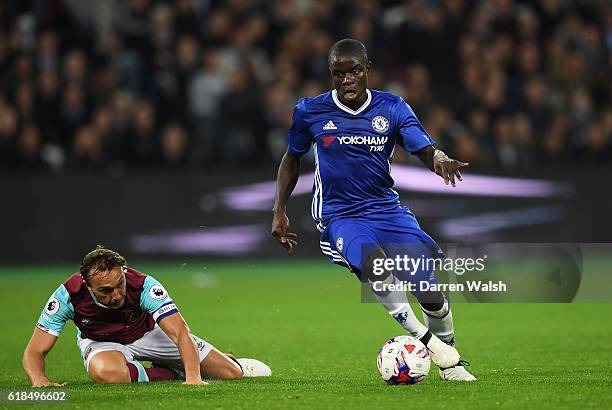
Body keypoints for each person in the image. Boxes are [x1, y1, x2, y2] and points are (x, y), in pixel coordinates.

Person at [271, 39, 475, 381]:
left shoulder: (392, 108)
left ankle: (447, 346)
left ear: (368, 71)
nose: (346, 80)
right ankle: (435, 349)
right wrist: (280, 209)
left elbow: (422, 148)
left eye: (353, 72)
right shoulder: (310, 110)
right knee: (376, 268)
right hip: (340, 216)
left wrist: (439, 160)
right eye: (339, 74)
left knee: (431, 294)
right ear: (331, 76)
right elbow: (292, 158)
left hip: (386, 211)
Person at [23, 246, 271, 387]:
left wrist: (194, 378)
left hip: (148, 332)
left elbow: (179, 331)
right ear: (87, 286)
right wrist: (39, 380)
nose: (117, 294)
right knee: (108, 374)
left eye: (119, 284)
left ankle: (212, 364)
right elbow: (35, 350)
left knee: (232, 374)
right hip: (101, 341)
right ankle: (171, 373)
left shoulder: (143, 284)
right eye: (106, 291)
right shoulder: (67, 295)